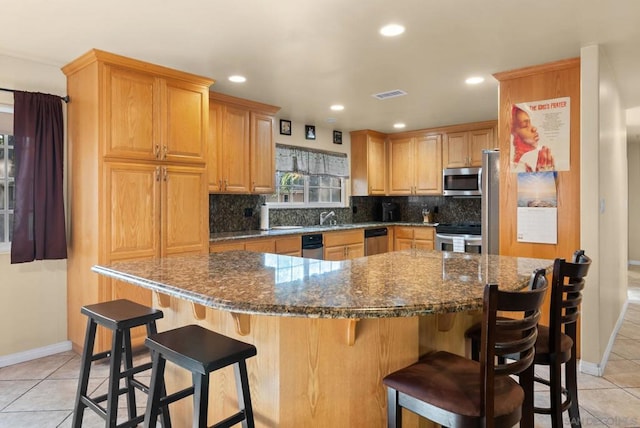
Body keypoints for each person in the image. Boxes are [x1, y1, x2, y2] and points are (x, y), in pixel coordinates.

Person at [511, 105, 555, 172]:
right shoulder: (514, 166)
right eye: (525, 125)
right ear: (514, 132)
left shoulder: (528, 161)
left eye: (530, 123)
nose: (534, 129)